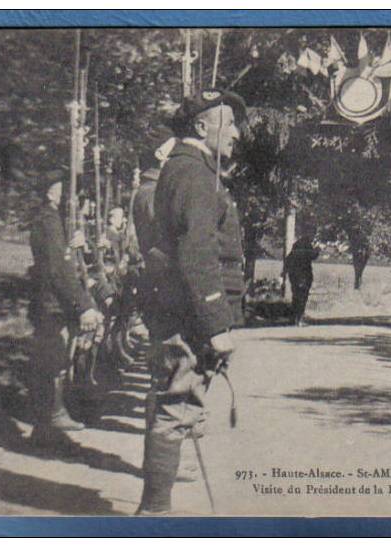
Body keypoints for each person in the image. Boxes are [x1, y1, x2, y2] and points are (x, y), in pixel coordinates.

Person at [136, 88, 247, 515]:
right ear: (203, 126)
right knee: (177, 405)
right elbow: (198, 252)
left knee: (175, 402)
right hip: (188, 314)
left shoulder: (190, 169)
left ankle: (154, 510)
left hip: (180, 309)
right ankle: (153, 516)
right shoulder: (195, 174)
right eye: (230, 123)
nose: (236, 133)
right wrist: (217, 324)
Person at [27, 171, 104, 442]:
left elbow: (64, 261)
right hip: (50, 302)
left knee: (58, 359)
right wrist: (82, 305)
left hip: (55, 300)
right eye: (63, 189)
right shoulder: (48, 221)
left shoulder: (55, 220)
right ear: (50, 191)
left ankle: (52, 417)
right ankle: (48, 419)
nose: (70, 196)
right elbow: (58, 269)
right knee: (52, 360)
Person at [285, 235, 320, 326]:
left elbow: (288, 260)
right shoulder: (306, 246)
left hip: (294, 275)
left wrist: (284, 273)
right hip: (304, 275)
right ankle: (299, 318)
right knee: (302, 297)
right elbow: (312, 256)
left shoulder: (295, 247)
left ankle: (294, 318)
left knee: (296, 296)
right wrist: (318, 249)